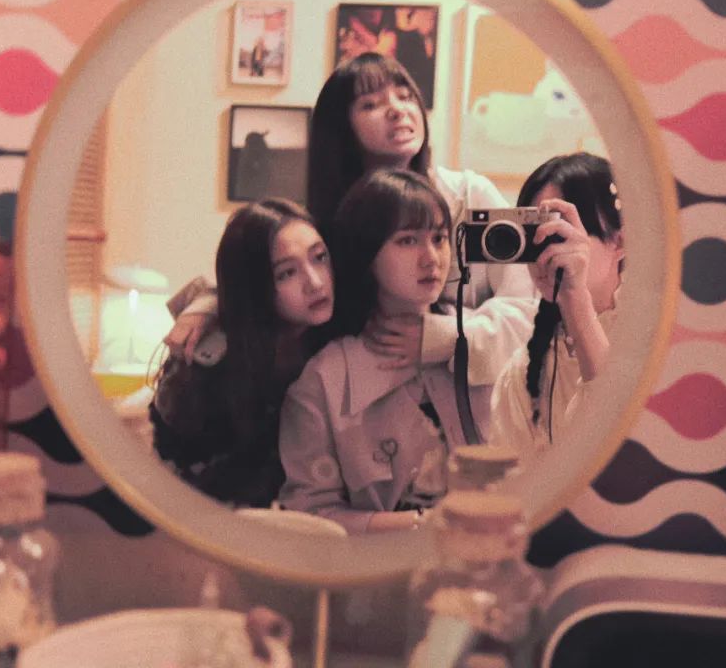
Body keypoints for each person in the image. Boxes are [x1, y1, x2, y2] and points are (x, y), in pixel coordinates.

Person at [168, 53, 535, 388]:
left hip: (468, 397)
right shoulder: (327, 216)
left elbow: (528, 306)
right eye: (371, 104)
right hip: (360, 397)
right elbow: (260, 277)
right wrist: (207, 307)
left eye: (406, 96)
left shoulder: (469, 195)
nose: (397, 110)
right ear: (342, 128)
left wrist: (449, 336)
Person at [277, 169, 490, 533]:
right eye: (407, 240)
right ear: (366, 252)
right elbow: (310, 516)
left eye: (439, 238)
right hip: (384, 565)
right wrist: (419, 524)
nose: (431, 258)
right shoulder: (323, 382)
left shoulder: (486, 339)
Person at [150, 198, 333, 507]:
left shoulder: (333, 337)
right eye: (286, 273)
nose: (315, 283)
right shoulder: (206, 372)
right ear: (254, 285)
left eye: (319, 257)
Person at [488, 153, 624, 455]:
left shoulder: (656, 341)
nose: (545, 255)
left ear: (620, 242)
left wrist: (576, 299)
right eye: (534, 236)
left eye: (560, 234)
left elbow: (624, 440)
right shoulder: (522, 374)